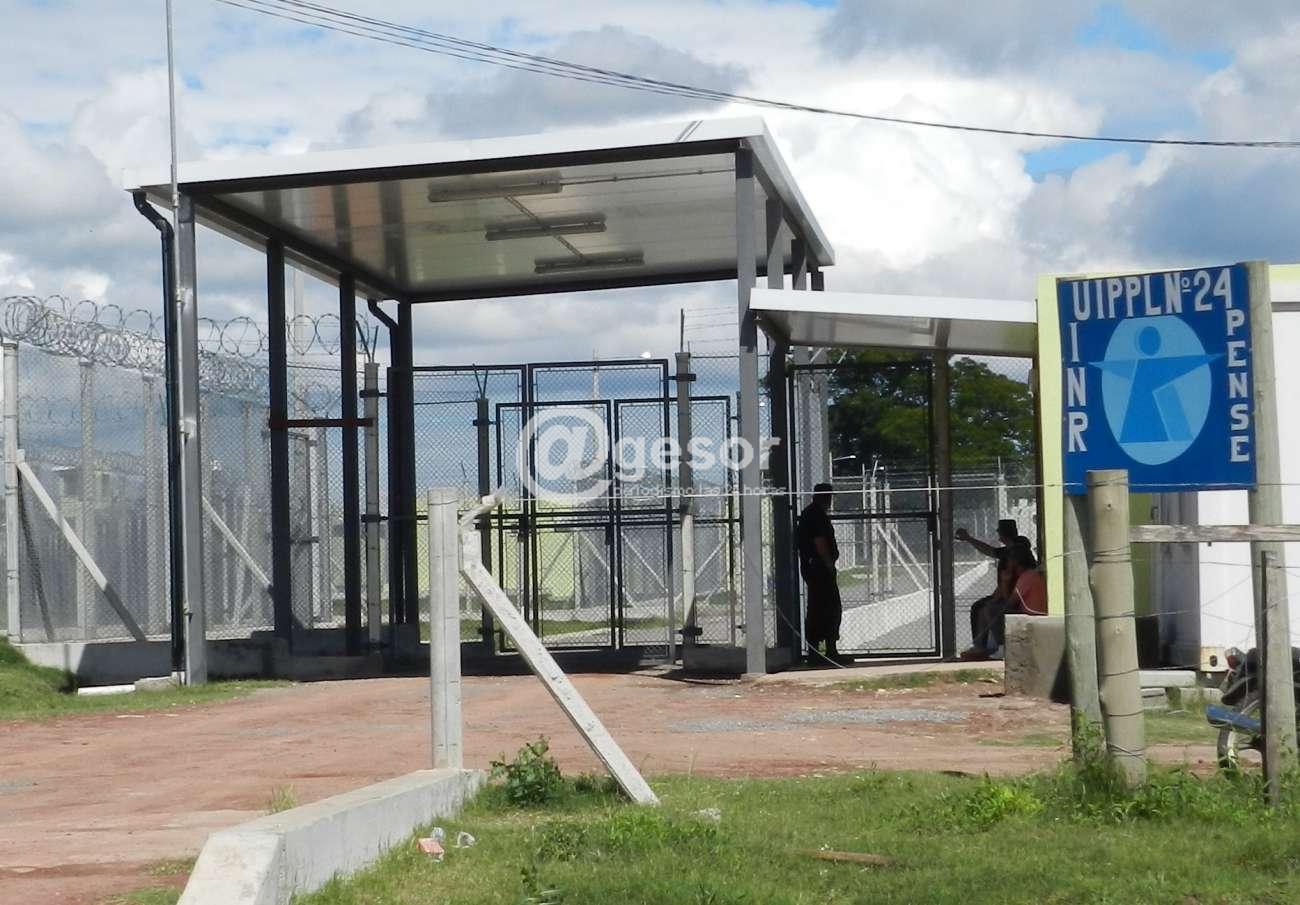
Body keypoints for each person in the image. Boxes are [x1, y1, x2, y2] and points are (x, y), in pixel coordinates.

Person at [956, 519, 1021, 659]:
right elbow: (991, 551)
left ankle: (989, 646)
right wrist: (969, 539)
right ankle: (980, 645)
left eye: (999, 531)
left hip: (1013, 596)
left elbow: (1008, 582)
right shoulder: (1008, 551)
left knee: (988, 608)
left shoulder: (1015, 552)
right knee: (978, 606)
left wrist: (997, 597)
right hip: (1006, 593)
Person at [798, 482, 842, 663]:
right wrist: (829, 563)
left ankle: (823, 650)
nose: (829, 501)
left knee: (824, 607)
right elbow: (819, 541)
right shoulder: (815, 515)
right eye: (828, 497)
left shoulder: (812, 513)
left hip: (816, 567)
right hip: (819, 568)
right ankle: (820, 651)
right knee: (826, 608)